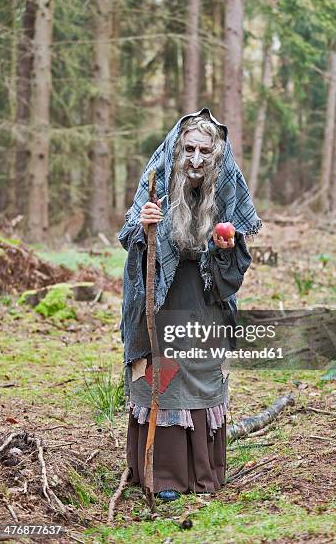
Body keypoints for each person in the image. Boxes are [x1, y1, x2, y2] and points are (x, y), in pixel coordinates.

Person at [118, 108, 261, 501]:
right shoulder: (156, 183)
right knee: (161, 374)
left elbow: (234, 270)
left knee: (198, 372)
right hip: (159, 303)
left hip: (203, 304)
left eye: (204, 151)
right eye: (189, 149)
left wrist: (223, 249)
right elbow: (130, 239)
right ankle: (160, 476)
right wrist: (146, 227)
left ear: (216, 155)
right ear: (177, 150)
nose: (196, 160)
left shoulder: (224, 192)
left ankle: (202, 474)